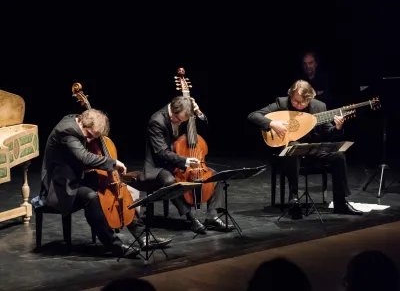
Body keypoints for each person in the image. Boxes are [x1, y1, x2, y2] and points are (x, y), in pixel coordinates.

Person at [39, 109, 171, 257]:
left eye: (93, 137)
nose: (89, 140)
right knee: (90, 197)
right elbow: (84, 158)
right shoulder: (67, 130)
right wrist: (113, 162)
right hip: (61, 184)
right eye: (88, 135)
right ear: (81, 122)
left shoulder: (79, 122)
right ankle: (115, 246)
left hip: (76, 175)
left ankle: (142, 236)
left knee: (116, 187)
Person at [247, 80, 363, 215]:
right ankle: (294, 199)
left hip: (311, 152)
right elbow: (253, 115)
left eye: (303, 102)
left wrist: (337, 128)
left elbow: (328, 132)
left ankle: (340, 202)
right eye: (295, 101)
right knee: (294, 147)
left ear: (310, 99)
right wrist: (272, 123)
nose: (298, 105)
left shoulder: (320, 107)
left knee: (339, 155)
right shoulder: (281, 103)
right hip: (288, 155)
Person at [144, 95, 233, 234]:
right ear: (172, 112)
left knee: (215, 175)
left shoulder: (183, 117)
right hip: (160, 165)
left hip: (180, 159)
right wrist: (185, 161)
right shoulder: (157, 121)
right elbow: (161, 152)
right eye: (178, 120)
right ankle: (191, 219)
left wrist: (198, 113)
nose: (180, 123)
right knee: (170, 181)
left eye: (183, 121)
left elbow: (203, 131)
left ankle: (212, 216)